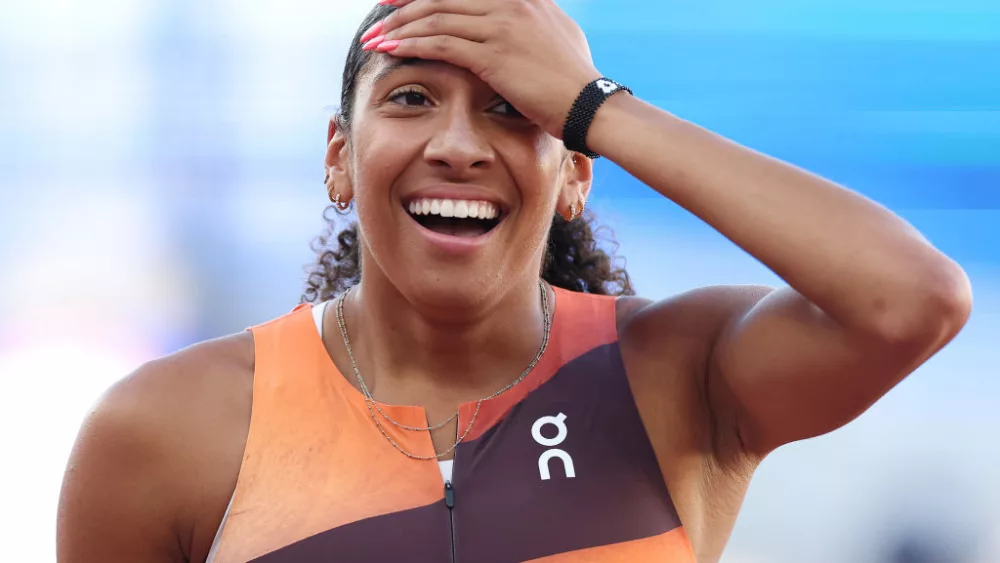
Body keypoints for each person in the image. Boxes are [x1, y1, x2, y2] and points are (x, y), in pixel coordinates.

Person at [56, 1, 972, 562]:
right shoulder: (168, 430)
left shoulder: (673, 376)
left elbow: (913, 299)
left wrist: (593, 104)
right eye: (411, 97)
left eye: (514, 109)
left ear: (576, 171)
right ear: (340, 157)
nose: (457, 146)